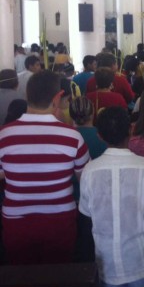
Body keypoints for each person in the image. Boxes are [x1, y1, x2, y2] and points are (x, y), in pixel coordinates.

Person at [0, 70, 90, 264]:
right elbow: (86, 181)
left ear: (27, 96)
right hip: (60, 220)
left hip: (15, 222)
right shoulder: (72, 136)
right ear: (57, 98)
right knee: (58, 277)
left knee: (20, 277)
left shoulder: (4, 135)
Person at [79, 107, 144, 287]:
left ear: (100, 136)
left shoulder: (89, 170)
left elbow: (88, 213)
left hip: (106, 261)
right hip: (140, 259)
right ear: (131, 129)